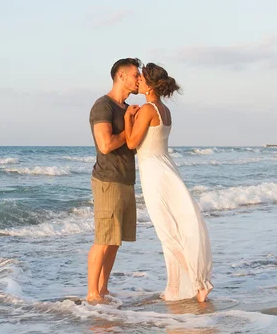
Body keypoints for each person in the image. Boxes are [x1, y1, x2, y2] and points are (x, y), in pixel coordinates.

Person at [124, 62, 213, 302]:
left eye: (141, 79)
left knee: (167, 232)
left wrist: (126, 117)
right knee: (172, 230)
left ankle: (199, 284)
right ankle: (174, 288)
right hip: (167, 169)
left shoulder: (147, 110)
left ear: (150, 84)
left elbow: (132, 144)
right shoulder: (164, 109)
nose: (138, 82)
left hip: (154, 173)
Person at [86, 58, 141, 303]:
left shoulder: (126, 108)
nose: (139, 79)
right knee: (104, 239)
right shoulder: (103, 106)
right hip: (108, 180)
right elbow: (105, 145)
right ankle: (92, 293)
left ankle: (104, 289)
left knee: (115, 241)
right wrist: (129, 127)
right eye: (135, 75)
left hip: (126, 179)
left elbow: (132, 145)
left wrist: (133, 121)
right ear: (121, 76)